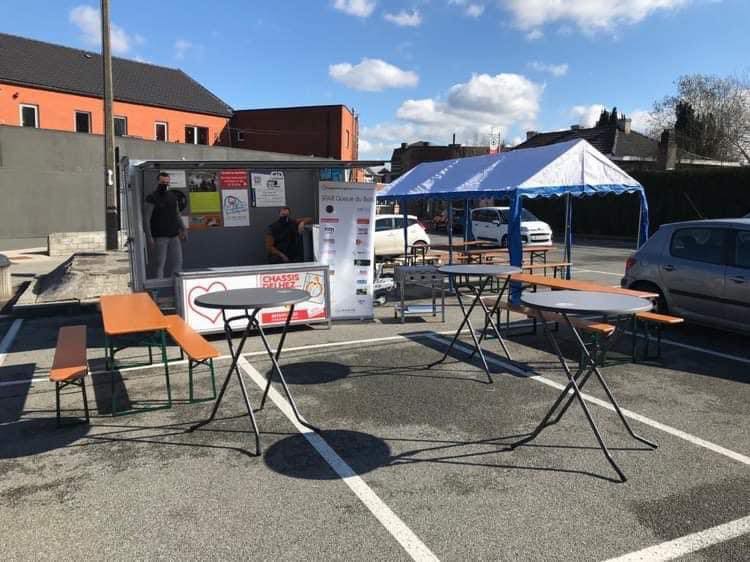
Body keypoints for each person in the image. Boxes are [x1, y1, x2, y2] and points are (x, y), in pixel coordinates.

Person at [144, 172, 186, 278]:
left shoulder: (172, 196)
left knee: (178, 262)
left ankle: (176, 286)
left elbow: (177, 214)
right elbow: (146, 219)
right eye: (163, 182)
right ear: (158, 182)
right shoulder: (151, 197)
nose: (165, 184)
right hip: (160, 237)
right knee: (159, 264)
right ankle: (159, 286)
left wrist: (183, 229)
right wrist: (149, 237)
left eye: (167, 182)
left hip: (174, 236)